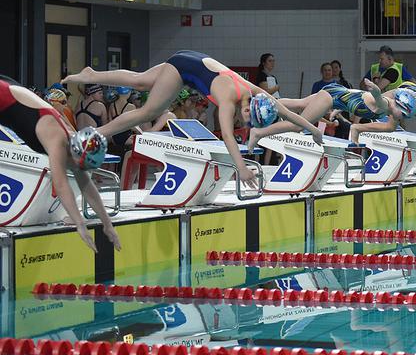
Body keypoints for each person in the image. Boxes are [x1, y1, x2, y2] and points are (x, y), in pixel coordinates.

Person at [63, 50, 322, 188]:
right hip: (183, 69)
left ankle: (91, 74)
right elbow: (229, 138)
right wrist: (241, 167)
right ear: (248, 110)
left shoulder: (257, 94)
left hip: (192, 58)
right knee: (147, 112)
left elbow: (285, 111)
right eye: (247, 120)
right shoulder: (228, 99)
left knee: (139, 80)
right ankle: (99, 135)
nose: (244, 124)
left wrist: (313, 129)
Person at [0, 79, 120, 252]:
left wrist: (108, 225)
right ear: (75, 153)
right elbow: (61, 184)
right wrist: (79, 224)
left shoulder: (73, 143)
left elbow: (88, 186)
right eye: (81, 165)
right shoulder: (57, 139)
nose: (79, 169)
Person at [246, 79, 416, 146]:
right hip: (332, 96)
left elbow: (389, 127)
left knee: (299, 104)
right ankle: (258, 132)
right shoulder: (384, 104)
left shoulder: (392, 110)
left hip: (337, 94)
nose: (401, 118)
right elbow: (379, 99)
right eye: (402, 114)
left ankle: (262, 100)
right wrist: (374, 90)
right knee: (298, 126)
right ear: (398, 104)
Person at [350, 81, 416, 188]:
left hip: (413, 92)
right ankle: (351, 120)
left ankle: (358, 128)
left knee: (390, 127)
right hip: (404, 93)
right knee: (372, 104)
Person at [106, 86, 136, 156]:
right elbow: (134, 126)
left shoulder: (112, 105)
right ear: (127, 92)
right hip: (127, 137)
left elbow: (110, 124)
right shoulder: (131, 107)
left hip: (114, 138)